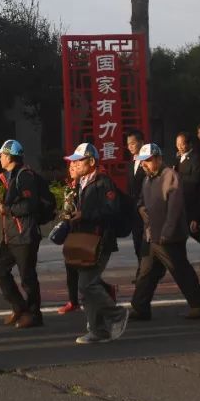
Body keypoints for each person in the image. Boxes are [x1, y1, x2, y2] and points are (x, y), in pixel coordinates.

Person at [129, 144, 200, 320]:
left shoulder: (170, 176)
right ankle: (140, 308)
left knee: (180, 271)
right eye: (143, 162)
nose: (145, 165)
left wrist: (167, 233)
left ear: (158, 159)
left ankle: (199, 305)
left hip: (168, 237)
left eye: (148, 161)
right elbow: (141, 201)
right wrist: (141, 208)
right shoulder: (147, 179)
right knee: (146, 273)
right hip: (150, 235)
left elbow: (175, 209)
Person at [64, 143, 129, 344]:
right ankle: (97, 330)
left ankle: (116, 314)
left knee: (87, 284)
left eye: (78, 160)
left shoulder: (103, 183)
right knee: (86, 286)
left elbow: (112, 211)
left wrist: (85, 215)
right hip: (84, 241)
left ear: (91, 162)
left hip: (100, 240)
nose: (74, 164)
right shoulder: (81, 183)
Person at [0, 139, 47, 328]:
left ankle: (34, 314)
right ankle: (19, 307)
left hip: (25, 235)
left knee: (27, 277)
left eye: (1, 155)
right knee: (0, 270)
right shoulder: (10, 176)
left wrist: (6, 210)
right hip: (11, 235)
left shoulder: (25, 176)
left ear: (9, 156)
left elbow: (30, 205)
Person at [174, 132, 200, 250]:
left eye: (182, 144)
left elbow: (196, 179)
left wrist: (178, 178)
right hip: (181, 200)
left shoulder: (195, 158)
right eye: (177, 144)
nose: (179, 147)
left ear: (189, 144)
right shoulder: (178, 157)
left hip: (192, 199)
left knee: (193, 229)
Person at [126, 130, 148, 271]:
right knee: (136, 241)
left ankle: (145, 271)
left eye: (133, 143)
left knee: (146, 241)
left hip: (146, 208)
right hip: (134, 209)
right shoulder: (131, 163)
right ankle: (142, 268)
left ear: (141, 143)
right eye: (128, 144)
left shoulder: (148, 162)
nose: (130, 146)